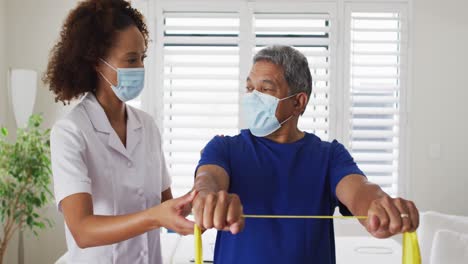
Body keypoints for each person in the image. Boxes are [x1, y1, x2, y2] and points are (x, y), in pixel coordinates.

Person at [191, 45, 420, 264]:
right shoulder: (223, 148)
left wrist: (378, 206)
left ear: (298, 102)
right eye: (250, 88)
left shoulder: (329, 155)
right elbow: (207, 180)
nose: (252, 97)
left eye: (266, 89)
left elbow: (361, 190)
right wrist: (206, 198)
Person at [44, 1, 194, 263]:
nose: (140, 68)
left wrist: (198, 197)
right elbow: (82, 230)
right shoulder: (70, 133)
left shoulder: (147, 126)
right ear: (97, 63)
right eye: (131, 59)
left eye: (142, 57)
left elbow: (166, 205)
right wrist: (154, 217)